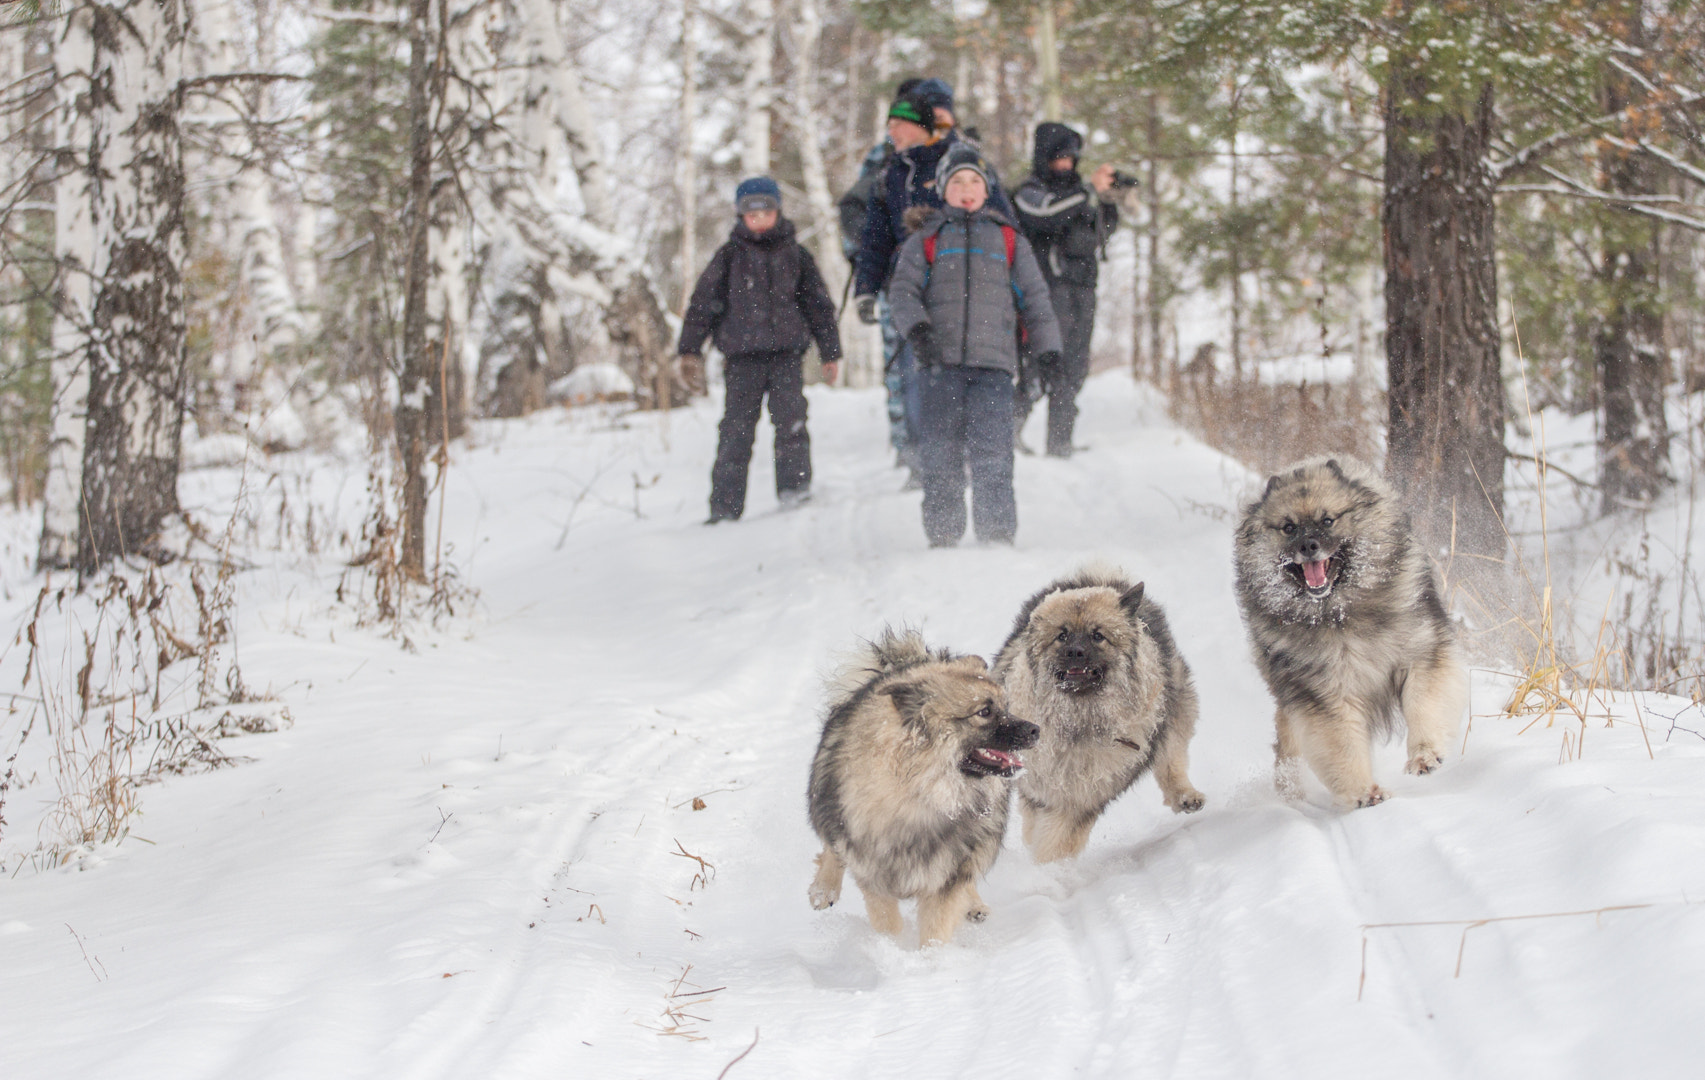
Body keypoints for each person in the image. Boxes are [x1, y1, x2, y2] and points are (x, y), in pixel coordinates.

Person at [885, 145, 1062, 548]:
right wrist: (919, 332)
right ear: (944, 188)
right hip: (938, 365)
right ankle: (944, 535)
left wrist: (1049, 350)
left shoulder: (1008, 240)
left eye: (976, 182)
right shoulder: (926, 238)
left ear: (987, 190)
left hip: (994, 367)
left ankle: (996, 536)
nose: (967, 190)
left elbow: (1035, 299)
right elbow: (902, 293)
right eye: (958, 181)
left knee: (994, 453)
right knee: (941, 454)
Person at [850, 81, 1014, 489]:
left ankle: (968, 459)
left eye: (897, 124)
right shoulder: (889, 172)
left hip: (958, 289)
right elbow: (873, 236)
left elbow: (1004, 223)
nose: (891, 132)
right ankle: (923, 463)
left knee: (957, 373)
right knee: (911, 374)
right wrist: (866, 288)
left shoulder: (960, 166)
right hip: (904, 289)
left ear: (921, 127)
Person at [679, 177, 841, 524]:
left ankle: (795, 492)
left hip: (786, 357)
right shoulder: (728, 257)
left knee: (792, 426)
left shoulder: (796, 255)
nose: (760, 218)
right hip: (741, 360)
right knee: (735, 432)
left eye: (766, 211)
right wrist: (690, 351)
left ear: (777, 211)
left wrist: (831, 352)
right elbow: (702, 306)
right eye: (752, 213)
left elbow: (819, 306)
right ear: (740, 215)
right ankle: (724, 508)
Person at [1012, 122, 1120, 458]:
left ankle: (1060, 442)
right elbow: (1045, 215)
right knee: (1042, 364)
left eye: (1071, 159)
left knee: (1074, 367)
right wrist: (1088, 190)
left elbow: (1102, 231)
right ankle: (1008, 432)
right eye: (1059, 158)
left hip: (1084, 288)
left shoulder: (1078, 193)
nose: (1066, 166)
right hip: (1046, 290)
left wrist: (1107, 198)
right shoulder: (1030, 191)